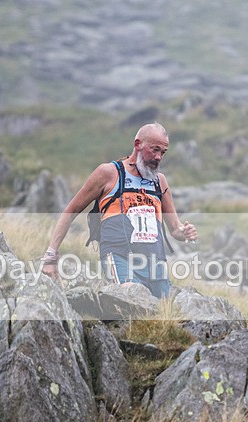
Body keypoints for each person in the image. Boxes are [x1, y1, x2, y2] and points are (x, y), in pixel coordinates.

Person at [41, 123, 197, 298]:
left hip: (155, 264)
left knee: (167, 313)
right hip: (119, 256)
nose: (159, 157)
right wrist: (50, 257)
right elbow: (70, 211)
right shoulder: (108, 173)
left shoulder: (159, 181)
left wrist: (184, 232)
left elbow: (175, 228)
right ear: (138, 144)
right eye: (155, 150)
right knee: (134, 299)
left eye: (163, 152)